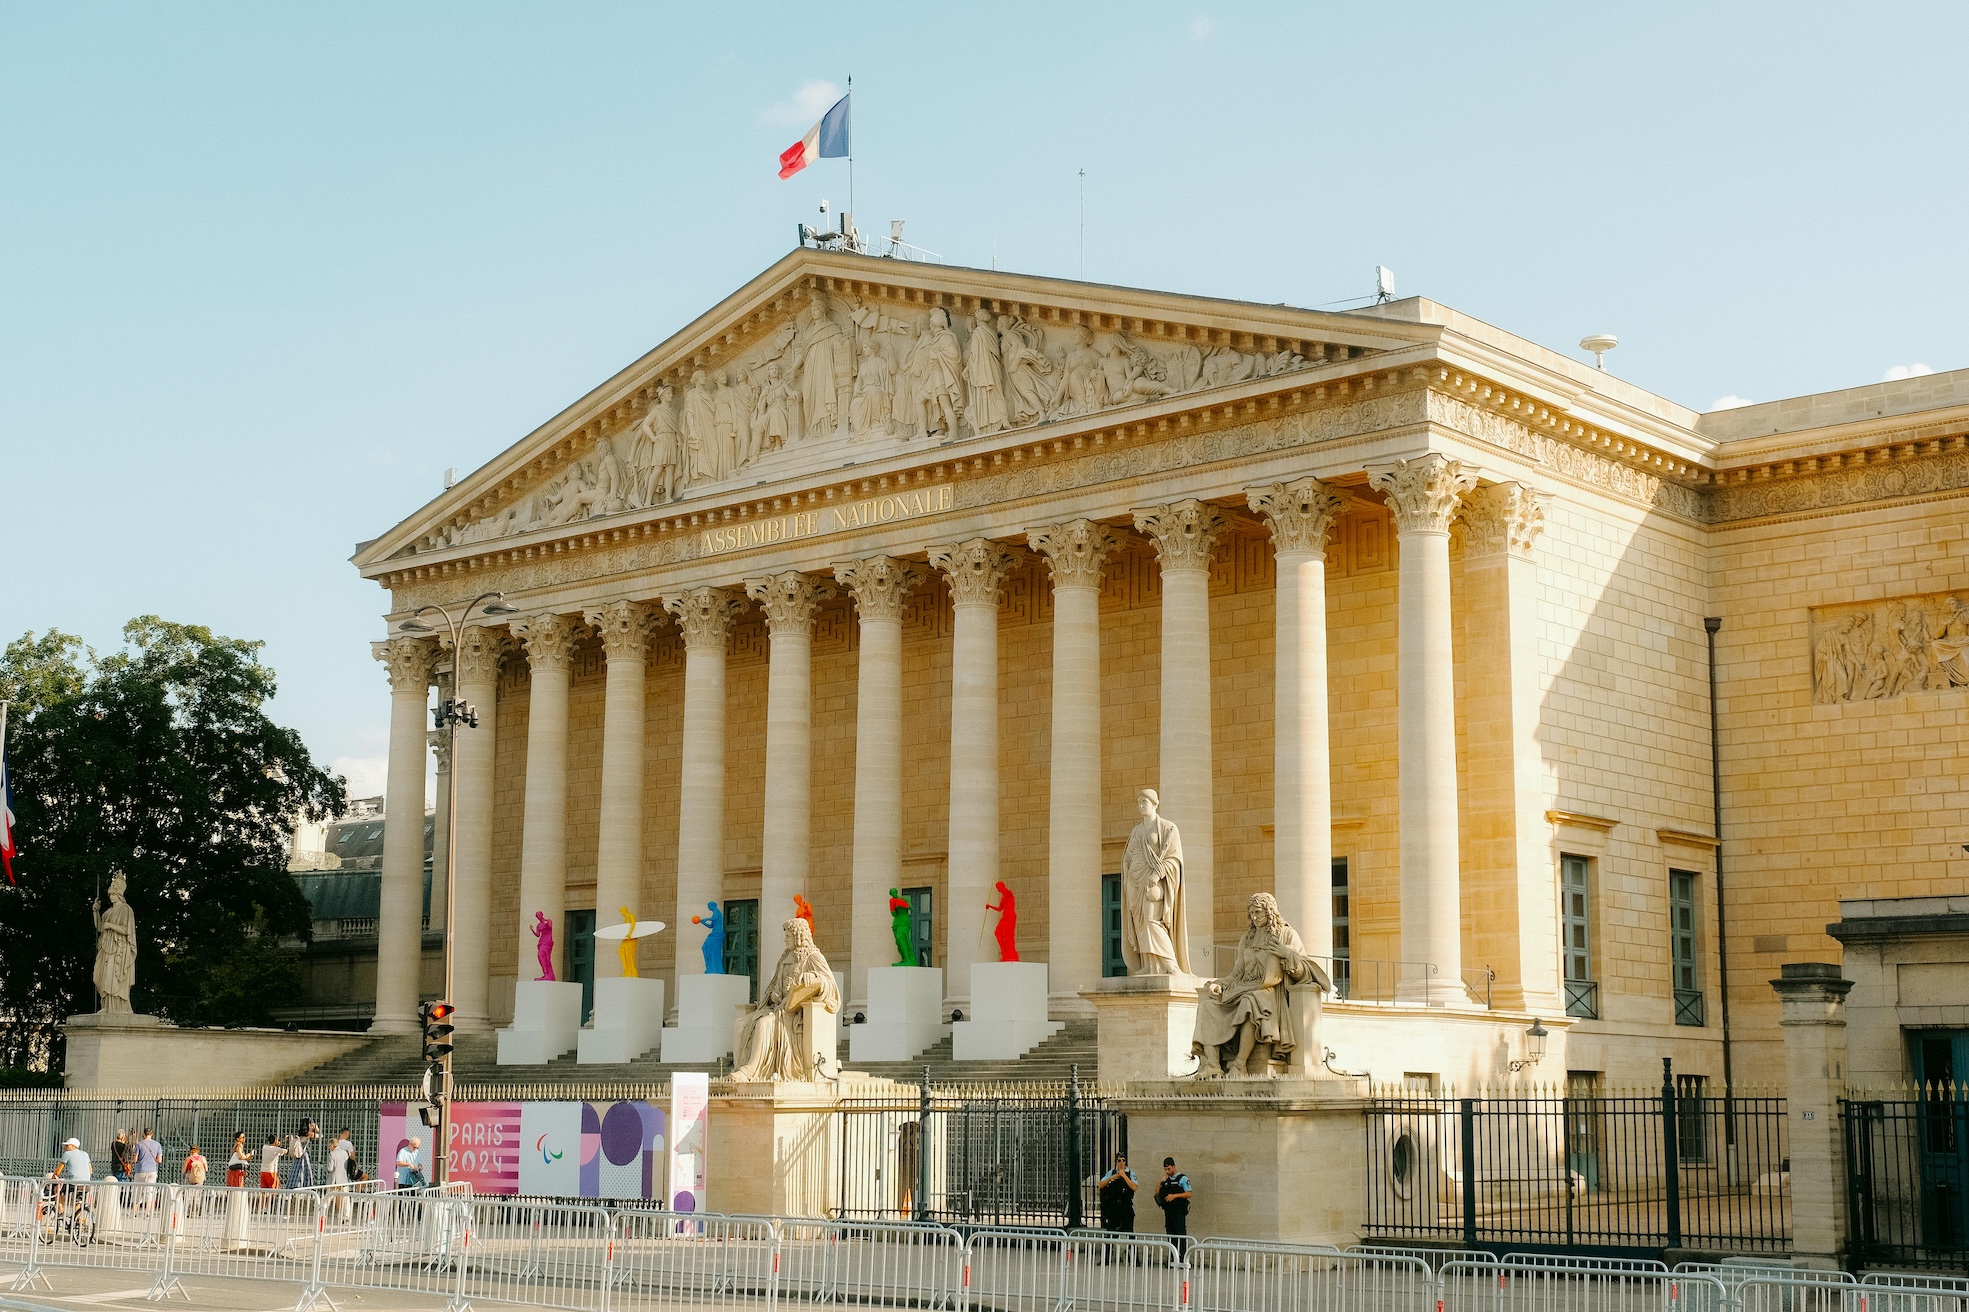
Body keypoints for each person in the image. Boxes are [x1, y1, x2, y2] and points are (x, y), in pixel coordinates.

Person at [1153, 1157, 1193, 1253]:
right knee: (1170, 1236)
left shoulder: (1182, 1178)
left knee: (1180, 1235)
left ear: (1174, 1167)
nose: (1167, 1171)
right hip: (1168, 1211)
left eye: (1169, 1169)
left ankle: (1182, 1256)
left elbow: (1189, 1194)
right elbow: (1156, 1193)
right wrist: (1161, 1181)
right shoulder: (1166, 1180)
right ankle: (1173, 1256)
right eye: (1165, 1169)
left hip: (1179, 1211)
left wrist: (1174, 1196)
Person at [1097, 1152, 1137, 1237]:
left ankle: (1130, 1246)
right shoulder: (1112, 1172)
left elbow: (1134, 1187)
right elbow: (1100, 1185)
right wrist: (1111, 1178)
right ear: (1116, 1162)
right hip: (1113, 1207)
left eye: (1123, 1160)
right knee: (1111, 1232)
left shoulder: (1130, 1173)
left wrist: (1124, 1176)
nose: (1121, 1162)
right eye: (1119, 1160)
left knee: (1129, 1231)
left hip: (1126, 1206)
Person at [288, 1120, 318, 1189]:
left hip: (298, 1155)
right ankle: (302, 1187)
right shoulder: (310, 1134)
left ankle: (293, 1186)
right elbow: (321, 1135)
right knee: (303, 1172)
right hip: (304, 1155)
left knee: (296, 1171)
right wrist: (316, 1128)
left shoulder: (300, 1135)